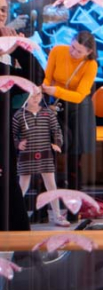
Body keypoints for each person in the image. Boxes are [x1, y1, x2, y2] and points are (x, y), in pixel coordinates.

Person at [0, 0, 38, 231]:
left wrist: (18, 50)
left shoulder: (5, 57)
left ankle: (19, 249)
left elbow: (36, 78)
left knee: (10, 199)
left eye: (4, 9)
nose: (1, 14)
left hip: (4, 142)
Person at [43, 32, 98, 191]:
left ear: (88, 52)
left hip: (79, 109)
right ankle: (48, 195)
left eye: (79, 51)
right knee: (51, 148)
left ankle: (75, 199)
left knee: (75, 157)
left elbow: (79, 96)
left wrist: (56, 91)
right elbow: (47, 77)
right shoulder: (57, 51)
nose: (73, 52)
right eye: (72, 47)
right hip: (57, 106)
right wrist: (45, 87)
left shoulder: (91, 64)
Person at [13, 86, 66, 225]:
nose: (35, 98)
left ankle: (57, 215)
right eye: (32, 95)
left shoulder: (48, 113)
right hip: (27, 155)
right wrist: (17, 143)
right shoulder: (19, 115)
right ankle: (13, 216)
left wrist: (57, 143)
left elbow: (56, 130)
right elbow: (12, 133)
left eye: (38, 95)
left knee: (51, 185)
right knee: (22, 186)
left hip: (45, 154)